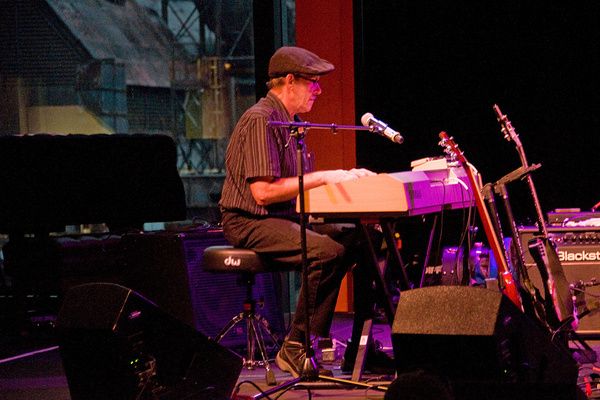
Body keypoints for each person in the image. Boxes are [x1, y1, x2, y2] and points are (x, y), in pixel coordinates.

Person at [218, 46, 390, 378]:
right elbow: (263, 193)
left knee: (366, 238)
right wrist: (327, 176)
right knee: (325, 251)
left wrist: (353, 186)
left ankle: (359, 349)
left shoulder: (292, 124)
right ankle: (296, 344)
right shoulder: (260, 120)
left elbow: (297, 191)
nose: (319, 90)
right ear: (289, 81)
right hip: (249, 220)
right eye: (313, 82)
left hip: (282, 216)